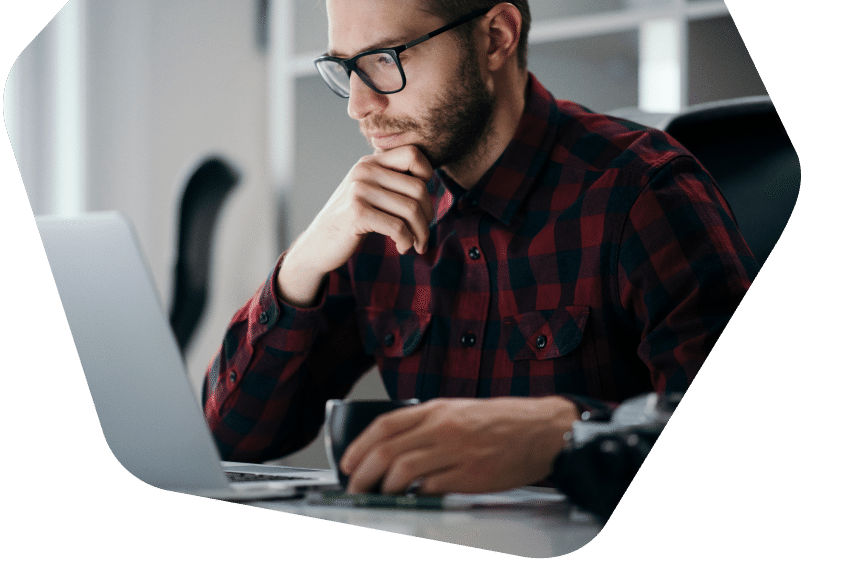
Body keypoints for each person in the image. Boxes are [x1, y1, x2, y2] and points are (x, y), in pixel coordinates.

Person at [202, 0, 757, 496]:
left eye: (385, 59)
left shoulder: (644, 192)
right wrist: (303, 264)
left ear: (495, 37)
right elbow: (231, 440)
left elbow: (749, 444)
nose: (358, 105)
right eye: (346, 68)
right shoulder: (375, 218)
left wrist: (567, 435)